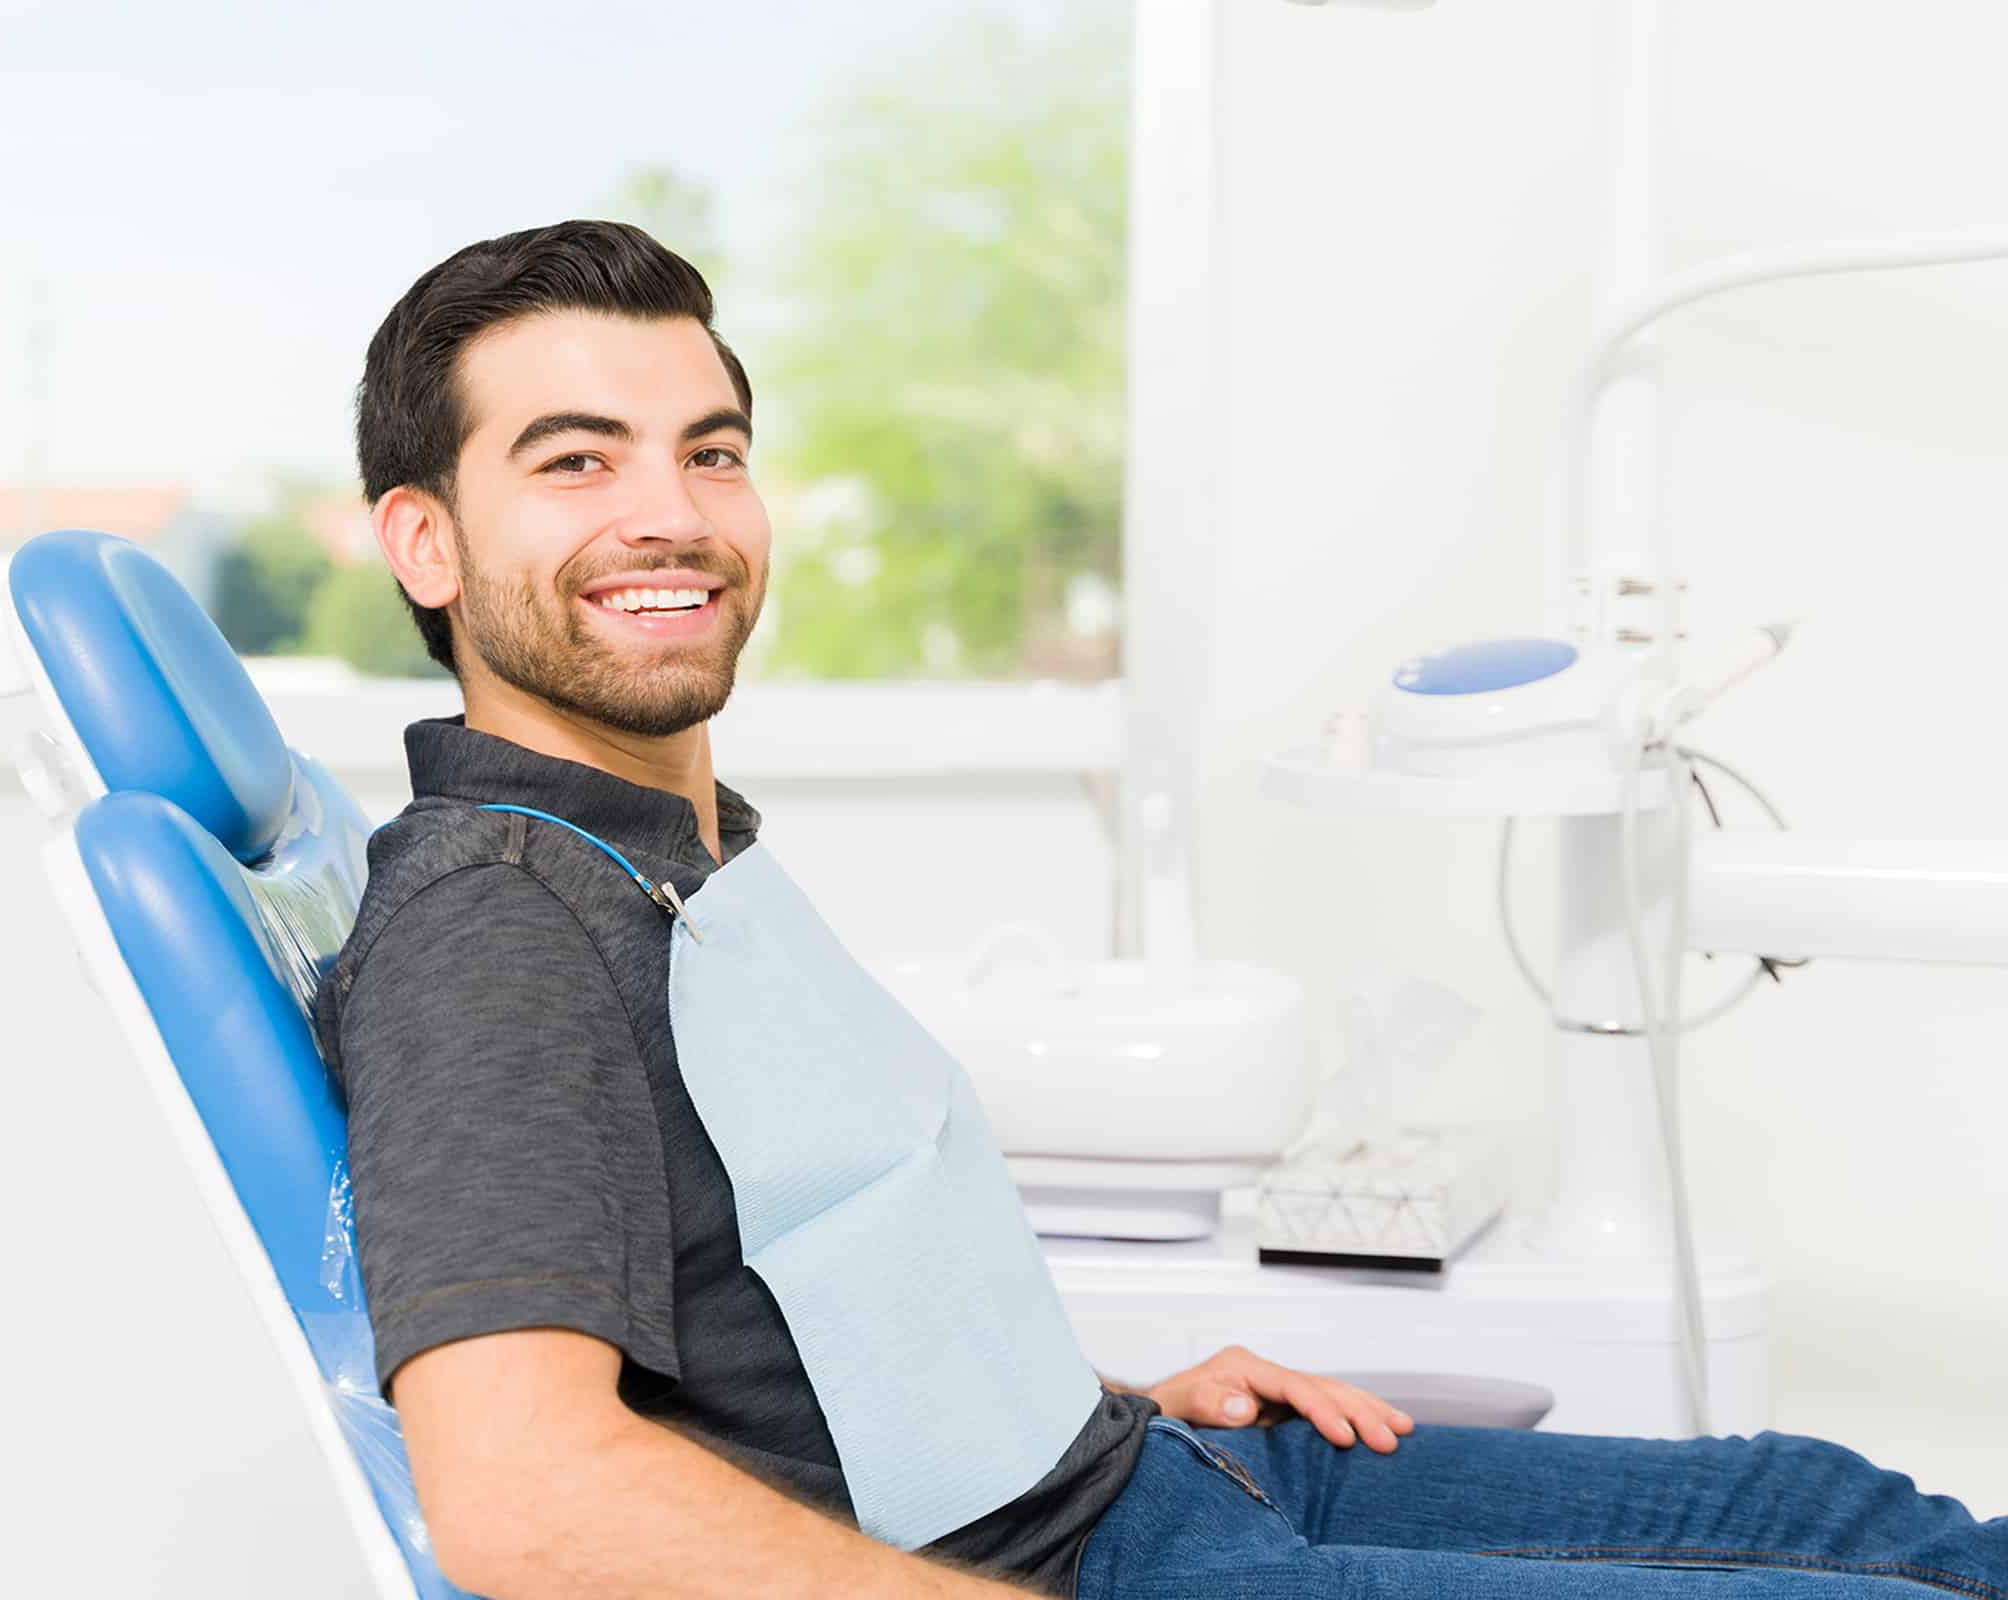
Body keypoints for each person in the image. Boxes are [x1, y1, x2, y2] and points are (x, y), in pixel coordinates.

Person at [310, 220, 2003, 1599]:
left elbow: (786, 1307)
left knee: (1836, 1503)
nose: (669, 513)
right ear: (428, 544)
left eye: (712, 453)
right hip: (1087, 1575)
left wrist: (1097, 1399)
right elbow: (525, 1499)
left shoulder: (659, 847)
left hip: (1153, 1469)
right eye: (575, 463)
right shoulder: (498, 930)